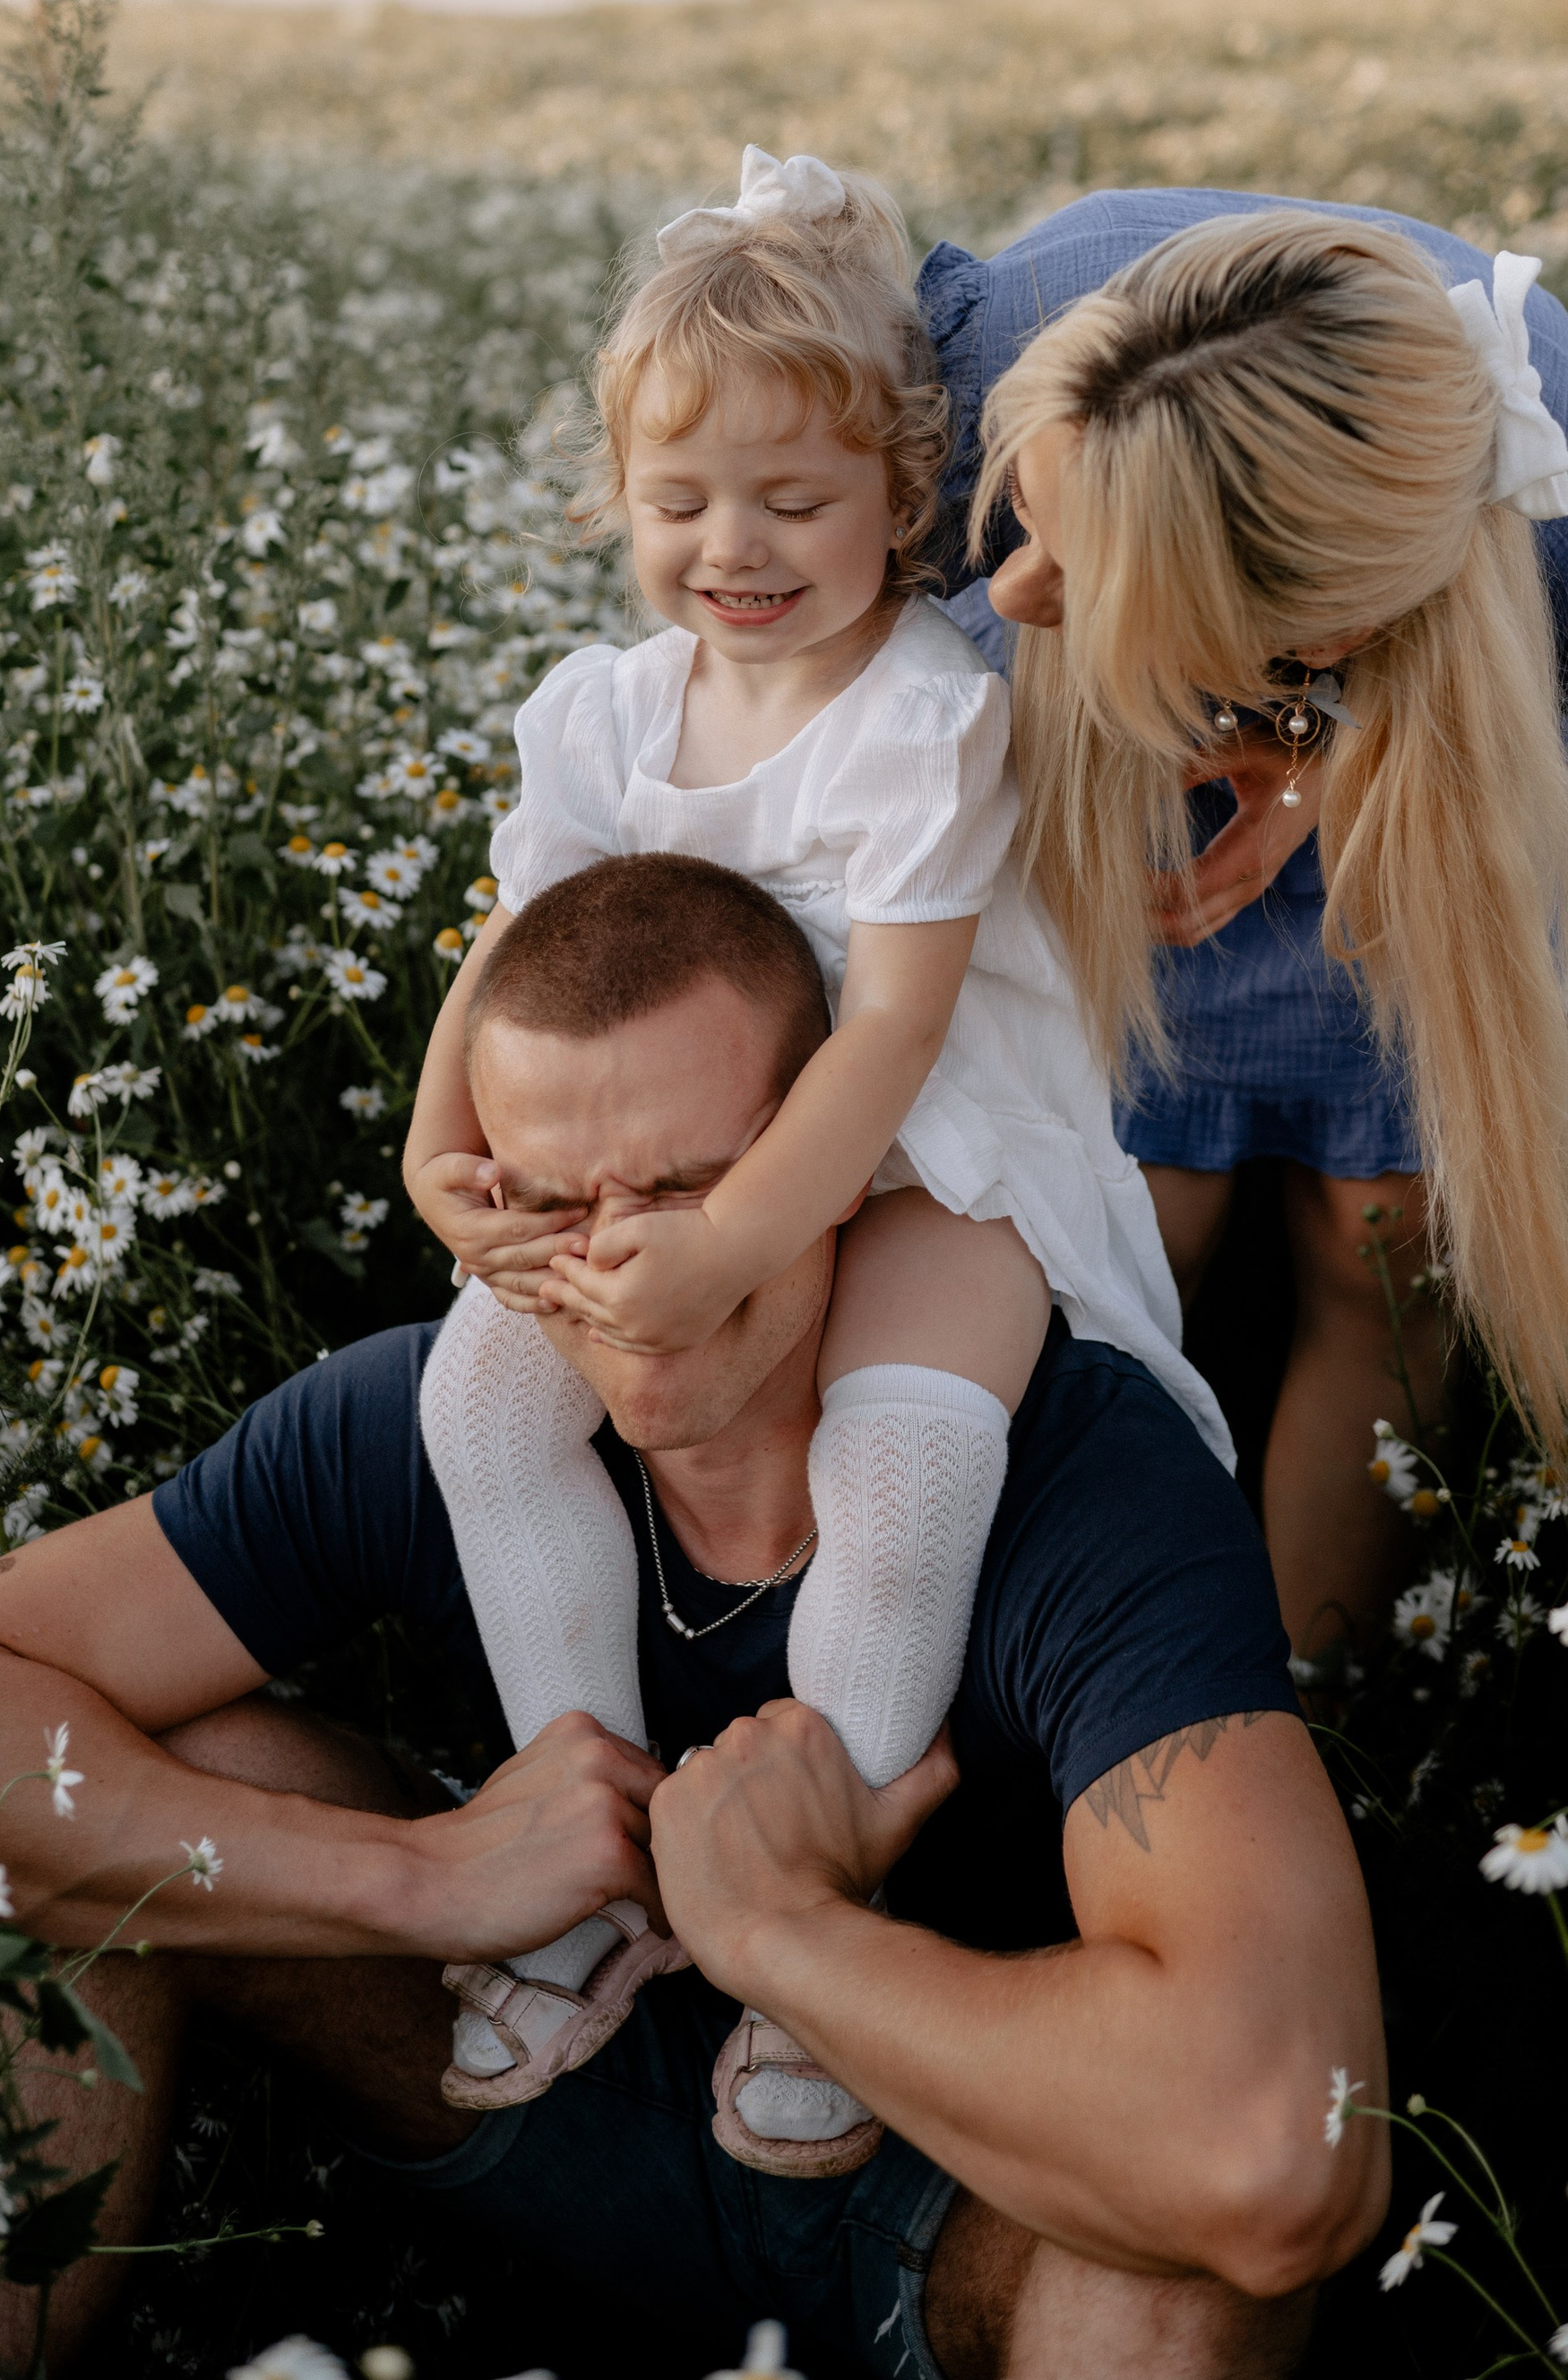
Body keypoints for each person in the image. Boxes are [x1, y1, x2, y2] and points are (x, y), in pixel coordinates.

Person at [0, 852, 1388, 2380]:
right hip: (532, 2070)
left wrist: (780, 1928)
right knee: (85, 1806)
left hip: (958, 2181)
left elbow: (1285, 2156)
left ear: (837, 1154)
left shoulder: (1071, 1472)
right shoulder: (434, 1415)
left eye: (689, 1189)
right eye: (548, 1202)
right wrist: (416, 1876)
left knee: (1186, 2273)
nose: (615, 1269)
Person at [402, 150, 1226, 2160]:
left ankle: (816, 1931)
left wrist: (736, 1242)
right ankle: (582, 1849)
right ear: (621, 504)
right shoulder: (599, 715)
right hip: (674, 1155)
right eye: (681, 504)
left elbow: (898, 1026)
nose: (734, 548)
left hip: (924, 1148)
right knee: (482, 1401)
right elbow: (509, 950)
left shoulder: (920, 710)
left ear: (898, 500)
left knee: (909, 1444)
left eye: (794, 500)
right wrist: (438, 1151)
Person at [917, 188, 1568, 1669]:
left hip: (1431, 772)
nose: (1013, 589)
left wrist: (1320, 753)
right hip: (1119, 759)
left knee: (1382, 1239)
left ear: (1332, 631)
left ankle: (1310, 1692)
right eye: (1026, 516)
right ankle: (1076, 1657)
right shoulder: (1010, 339)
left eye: (1071, 573)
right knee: (1126, 1208)